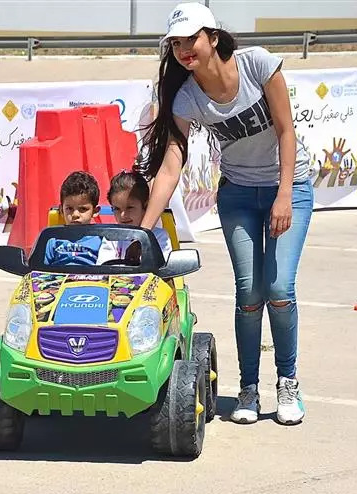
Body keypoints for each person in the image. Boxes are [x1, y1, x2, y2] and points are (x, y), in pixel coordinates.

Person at [134, 2, 314, 425]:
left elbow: (286, 130)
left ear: (213, 38)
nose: (183, 50)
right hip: (238, 196)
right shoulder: (187, 97)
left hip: (289, 187)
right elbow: (172, 165)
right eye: (176, 44)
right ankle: (248, 389)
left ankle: (287, 382)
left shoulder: (258, 65)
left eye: (191, 39)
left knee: (279, 289)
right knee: (249, 294)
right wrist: (142, 231)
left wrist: (284, 194)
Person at [96, 169, 173, 264]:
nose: (123, 215)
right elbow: (103, 267)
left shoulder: (158, 237)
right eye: (117, 209)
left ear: (145, 207)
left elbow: (162, 268)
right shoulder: (111, 238)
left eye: (129, 207)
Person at [43, 171, 104, 266]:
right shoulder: (52, 240)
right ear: (61, 210)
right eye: (69, 209)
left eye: (83, 209)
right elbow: (39, 270)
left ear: (95, 211)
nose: (75, 214)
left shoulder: (102, 241)